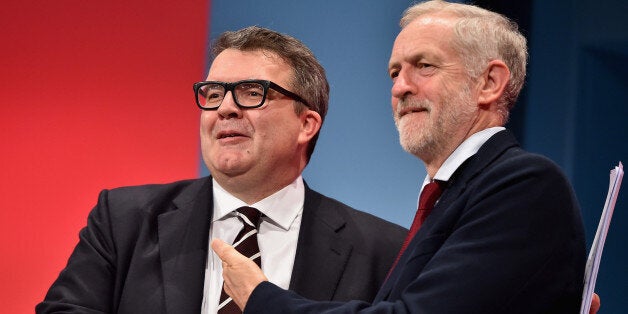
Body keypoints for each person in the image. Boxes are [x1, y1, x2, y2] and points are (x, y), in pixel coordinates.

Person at [212, 1, 590, 313]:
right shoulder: (450, 196)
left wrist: (261, 298)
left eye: (424, 66)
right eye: (395, 72)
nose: (400, 87)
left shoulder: (524, 185)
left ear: (490, 82)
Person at [36, 26, 407, 313]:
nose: (225, 108)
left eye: (251, 92)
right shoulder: (124, 221)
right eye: (213, 94)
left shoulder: (383, 250)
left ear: (306, 124)